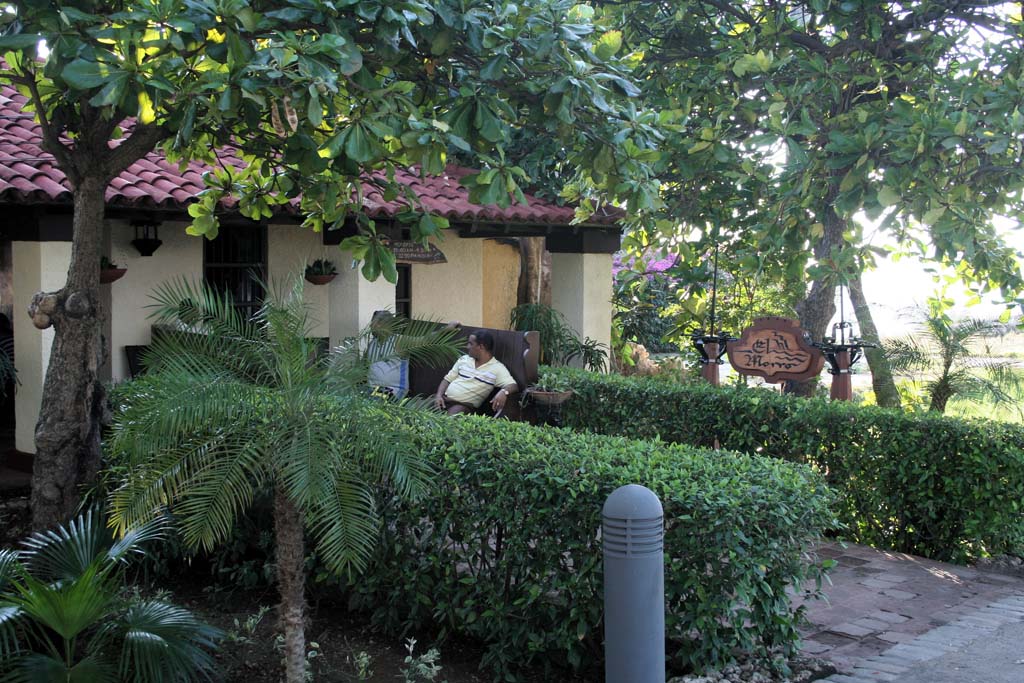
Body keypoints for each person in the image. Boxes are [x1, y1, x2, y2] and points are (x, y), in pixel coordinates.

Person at [434, 330, 518, 415]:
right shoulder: (464, 359)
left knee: (450, 418)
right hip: (444, 400)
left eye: (470, 344)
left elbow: (513, 385)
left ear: (481, 347)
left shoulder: (497, 368)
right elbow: (447, 379)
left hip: (464, 406)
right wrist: (438, 395)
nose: (467, 347)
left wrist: (504, 392)